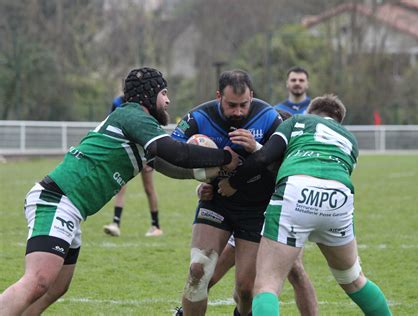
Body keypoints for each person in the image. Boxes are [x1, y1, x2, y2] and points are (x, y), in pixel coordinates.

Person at [0, 67, 239, 316]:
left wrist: (204, 175)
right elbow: (176, 152)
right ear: (149, 94)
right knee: (39, 281)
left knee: (56, 287)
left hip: (70, 207)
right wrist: (223, 156)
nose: (168, 101)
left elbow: (168, 165)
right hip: (56, 200)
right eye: (164, 93)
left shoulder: (135, 124)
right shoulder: (134, 116)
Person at [218, 94, 392, 315]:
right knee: (353, 279)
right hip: (338, 196)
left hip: (296, 189)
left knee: (267, 285)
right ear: (338, 120)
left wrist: (233, 182)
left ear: (310, 112)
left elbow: (264, 157)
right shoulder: (350, 139)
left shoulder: (297, 121)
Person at [171, 69, 282, 316]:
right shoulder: (199, 117)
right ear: (219, 95)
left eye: (244, 104)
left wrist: (257, 147)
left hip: (256, 209)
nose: (239, 112)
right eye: (232, 105)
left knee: (245, 290)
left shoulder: (268, 116)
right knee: (198, 271)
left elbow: (284, 163)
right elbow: (169, 154)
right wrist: (201, 176)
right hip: (216, 203)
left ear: (252, 96)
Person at [188, 108, 318, 316]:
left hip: (268, 220)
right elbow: (229, 177)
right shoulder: (249, 145)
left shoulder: (287, 156)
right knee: (204, 274)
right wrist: (206, 187)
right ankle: (185, 309)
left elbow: (267, 171)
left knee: (289, 273)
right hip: (241, 217)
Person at [103, 95, 163, 237]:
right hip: (126, 151)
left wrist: (151, 155)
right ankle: (115, 224)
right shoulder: (117, 102)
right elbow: (112, 123)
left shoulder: (147, 102)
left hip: (144, 151)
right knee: (120, 186)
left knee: (149, 188)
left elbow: (153, 127)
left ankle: (156, 226)